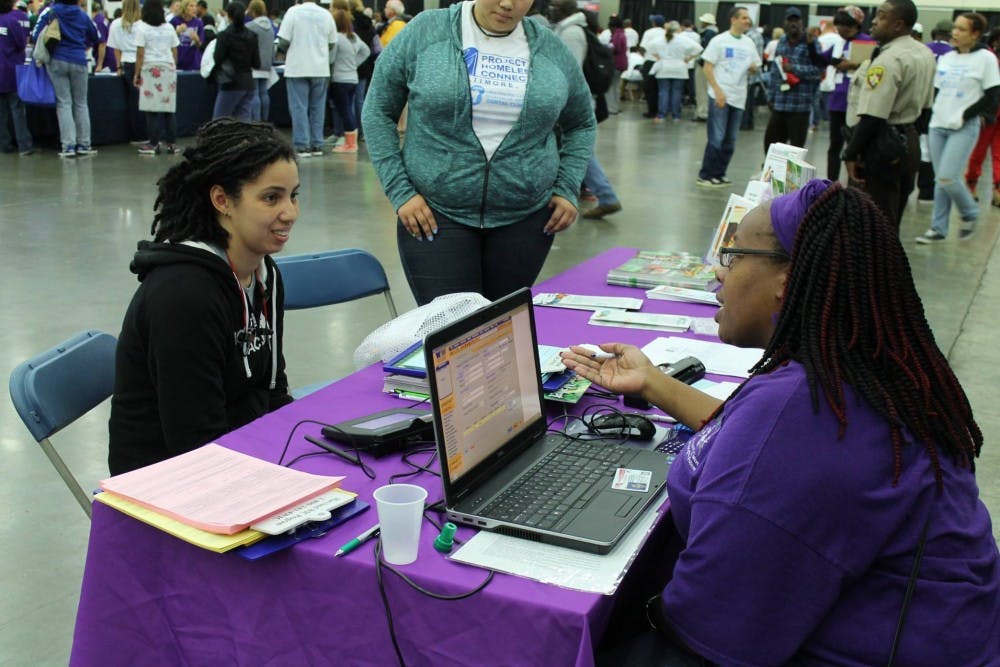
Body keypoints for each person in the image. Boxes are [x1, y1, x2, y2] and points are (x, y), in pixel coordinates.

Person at [565, 180, 1000, 666]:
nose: (718, 276)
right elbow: (738, 435)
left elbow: (709, 633)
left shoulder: (803, 418)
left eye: (732, 257)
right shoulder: (848, 376)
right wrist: (651, 383)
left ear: (787, 281)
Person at [362, 0, 595, 305]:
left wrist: (567, 187)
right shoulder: (426, 31)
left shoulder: (551, 48)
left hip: (525, 217)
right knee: (452, 333)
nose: (507, 4)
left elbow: (581, 122)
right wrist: (400, 190)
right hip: (435, 213)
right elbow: (377, 110)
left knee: (503, 329)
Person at [109, 118, 297, 475]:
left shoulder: (266, 274)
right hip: (168, 485)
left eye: (293, 195)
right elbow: (194, 444)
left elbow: (274, 390)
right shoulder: (184, 296)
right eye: (271, 197)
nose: (290, 213)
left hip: (240, 452)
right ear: (222, 200)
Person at [842, 0, 935, 227]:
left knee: (872, 219)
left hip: (882, 144)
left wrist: (851, 153)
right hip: (909, 138)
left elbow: (873, 116)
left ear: (898, 25)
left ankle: (876, 262)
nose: (874, 21)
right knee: (894, 217)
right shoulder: (924, 53)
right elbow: (926, 110)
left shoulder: (888, 60)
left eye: (882, 16)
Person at [916, 13, 1000, 244]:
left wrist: (965, 115)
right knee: (939, 180)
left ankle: (970, 212)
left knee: (947, 177)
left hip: (963, 127)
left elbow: (993, 95)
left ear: (975, 34)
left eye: (962, 29)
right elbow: (937, 91)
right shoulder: (947, 58)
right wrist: (928, 116)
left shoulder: (986, 58)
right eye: (955, 28)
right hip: (938, 126)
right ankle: (938, 228)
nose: (955, 33)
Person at [548, 0, 621, 221]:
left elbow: (569, 72)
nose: (551, 9)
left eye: (555, 5)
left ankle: (606, 196)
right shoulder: (572, 30)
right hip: (571, 101)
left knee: (578, 151)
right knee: (575, 150)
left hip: (571, 103)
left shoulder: (571, 33)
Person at [696, 6, 760, 187]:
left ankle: (720, 173)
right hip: (720, 95)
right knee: (716, 138)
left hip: (739, 96)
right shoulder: (719, 41)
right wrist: (717, 91)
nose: (748, 21)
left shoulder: (748, 43)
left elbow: (754, 65)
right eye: (744, 18)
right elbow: (707, 66)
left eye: (748, 18)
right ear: (733, 19)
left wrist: (753, 68)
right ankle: (705, 175)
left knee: (730, 140)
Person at [31, 0, 98, 157]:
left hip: (57, 60)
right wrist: (82, 43)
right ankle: (84, 144)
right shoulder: (82, 15)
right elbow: (95, 36)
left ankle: (68, 146)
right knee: (81, 103)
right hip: (79, 60)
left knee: (64, 103)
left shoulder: (50, 12)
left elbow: (35, 34)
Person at [276, 0, 336, 158]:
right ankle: (317, 144)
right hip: (320, 68)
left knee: (299, 107)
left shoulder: (293, 12)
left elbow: (283, 41)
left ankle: (302, 146)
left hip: (298, 67)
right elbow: (332, 43)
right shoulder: (326, 14)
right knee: (318, 108)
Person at [819, 6, 868, 182]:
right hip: (837, 100)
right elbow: (820, 58)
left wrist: (854, 64)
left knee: (855, 147)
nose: (840, 29)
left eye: (844, 25)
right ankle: (830, 182)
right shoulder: (838, 44)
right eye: (838, 25)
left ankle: (854, 184)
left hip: (858, 103)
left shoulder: (867, 42)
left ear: (855, 25)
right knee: (835, 145)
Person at [763, 7, 821, 153]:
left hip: (800, 105)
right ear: (785, 23)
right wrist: (771, 96)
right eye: (790, 20)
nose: (793, 24)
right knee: (771, 145)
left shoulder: (812, 43)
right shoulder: (781, 41)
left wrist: (794, 68)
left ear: (802, 22)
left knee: (796, 150)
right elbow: (775, 70)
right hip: (780, 103)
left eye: (796, 20)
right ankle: (771, 174)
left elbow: (818, 71)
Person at [134, 0, 179, 155]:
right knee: (169, 108)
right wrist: (173, 66)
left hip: (150, 68)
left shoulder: (142, 28)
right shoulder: (169, 28)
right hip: (168, 68)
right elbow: (174, 50)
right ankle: (172, 144)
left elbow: (140, 53)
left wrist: (137, 73)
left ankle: (154, 143)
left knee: (152, 108)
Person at [916, 19, 954, 202]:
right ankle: (927, 191)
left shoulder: (923, 49)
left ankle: (915, 188)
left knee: (921, 147)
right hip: (941, 107)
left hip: (919, 103)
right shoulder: (953, 54)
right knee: (932, 151)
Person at [964, 27, 1000, 210]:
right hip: (987, 114)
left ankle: (998, 190)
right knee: (978, 153)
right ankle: (970, 185)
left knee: (998, 154)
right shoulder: (986, 58)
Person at [327, 5, 368, 153]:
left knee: (344, 111)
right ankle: (351, 141)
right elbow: (366, 51)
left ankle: (350, 144)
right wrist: (353, 64)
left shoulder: (337, 39)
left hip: (340, 79)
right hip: (352, 79)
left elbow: (331, 59)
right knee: (348, 110)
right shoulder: (354, 37)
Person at [211, 1, 258, 120]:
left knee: (219, 122)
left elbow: (217, 59)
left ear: (228, 15)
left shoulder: (224, 36)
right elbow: (257, 63)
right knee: (243, 123)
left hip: (230, 83)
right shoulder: (252, 36)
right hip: (248, 83)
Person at [107, 0, 145, 143]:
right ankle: (140, 135)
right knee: (139, 103)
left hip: (125, 63)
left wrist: (118, 66)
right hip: (139, 63)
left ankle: (133, 133)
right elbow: (142, 50)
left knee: (131, 101)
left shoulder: (116, 24)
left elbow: (115, 48)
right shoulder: (142, 25)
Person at [649, 20, 701, 123]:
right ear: (678, 29)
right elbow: (698, 49)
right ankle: (676, 115)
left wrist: (659, 57)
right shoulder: (683, 39)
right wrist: (688, 59)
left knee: (663, 92)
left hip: (663, 67)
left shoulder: (660, 39)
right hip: (679, 67)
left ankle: (661, 115)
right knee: (677, 92)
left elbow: (649, 48)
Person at [0, 0, 34, 155]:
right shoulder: (12, 22)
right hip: (11, 70)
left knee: (1, 112)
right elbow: (21, 44)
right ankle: (24, 145)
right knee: (17, 109)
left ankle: (4, 145)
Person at [245, 0, 273, 123]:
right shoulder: (271, 27)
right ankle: (264, 119)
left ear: (252, 10)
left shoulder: (250, 27)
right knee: (264, 93)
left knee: (254, 94)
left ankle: (256, 122)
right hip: (267, 65)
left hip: (253, 65)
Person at [638, 14, 665, 119]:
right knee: (661, 88)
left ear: (653, 23)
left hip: (650, 62)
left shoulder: (648, 32)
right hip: (662, 62)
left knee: (649, 89)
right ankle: (661, 111)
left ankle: (651, 111)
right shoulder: (665, 33)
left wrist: (644, 56)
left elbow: (642, 47)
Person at [693, 12, 717, 122]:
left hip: (704, 65)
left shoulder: (708, 34)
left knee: (701, 89)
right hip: (711, 66)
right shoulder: (715, 33)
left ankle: (702, 112)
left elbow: (706, 50)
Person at [170, 0, 203, 70]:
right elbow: (166, 39)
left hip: (193, 61)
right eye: (191, 6)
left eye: (196, 6)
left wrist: (197, 40)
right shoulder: (175, 21)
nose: (195, 8)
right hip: (178, 59)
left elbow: (200, 44)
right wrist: (176, 32)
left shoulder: (198, 23)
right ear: (184, 8)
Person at [604, 15, 627, 115]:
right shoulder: (622, 34)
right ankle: (615, 107)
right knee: (616, 86)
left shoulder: (617, 35)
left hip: (616, 64)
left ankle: (611, 108)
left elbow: (615, 48)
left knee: (611, 87)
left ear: (613, 27)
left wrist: (606, 48)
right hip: (622, 63)